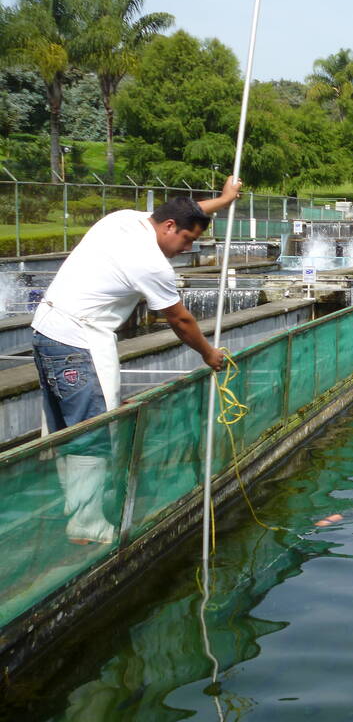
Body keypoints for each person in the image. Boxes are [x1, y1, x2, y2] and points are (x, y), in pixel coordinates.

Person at [31, 176, 242, 543]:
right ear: (168, 228)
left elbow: (186, 212)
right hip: (76, 342)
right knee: (91, 432)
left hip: (46, 331)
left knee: (72, 429)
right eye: (186, 240)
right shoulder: (150, 263)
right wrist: (210, 354)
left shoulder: (124, 220)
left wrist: (224, 200)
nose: (186, 249)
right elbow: (180, 319)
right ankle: (86, 523)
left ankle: (77, 509)